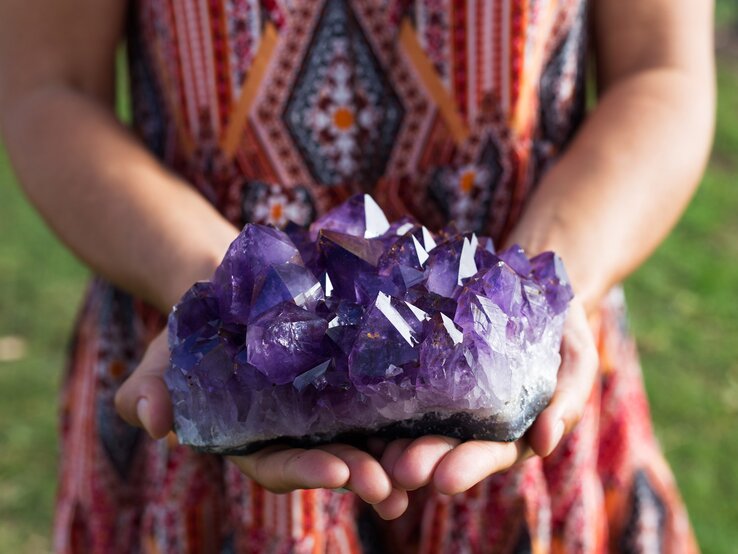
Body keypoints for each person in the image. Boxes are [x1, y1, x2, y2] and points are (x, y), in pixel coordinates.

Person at [0, 0, 714, 552]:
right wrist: (214, 285)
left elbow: (662, 73)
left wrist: (551, 277)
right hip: (180, 347)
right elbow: (50, 88)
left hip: (542, 377)